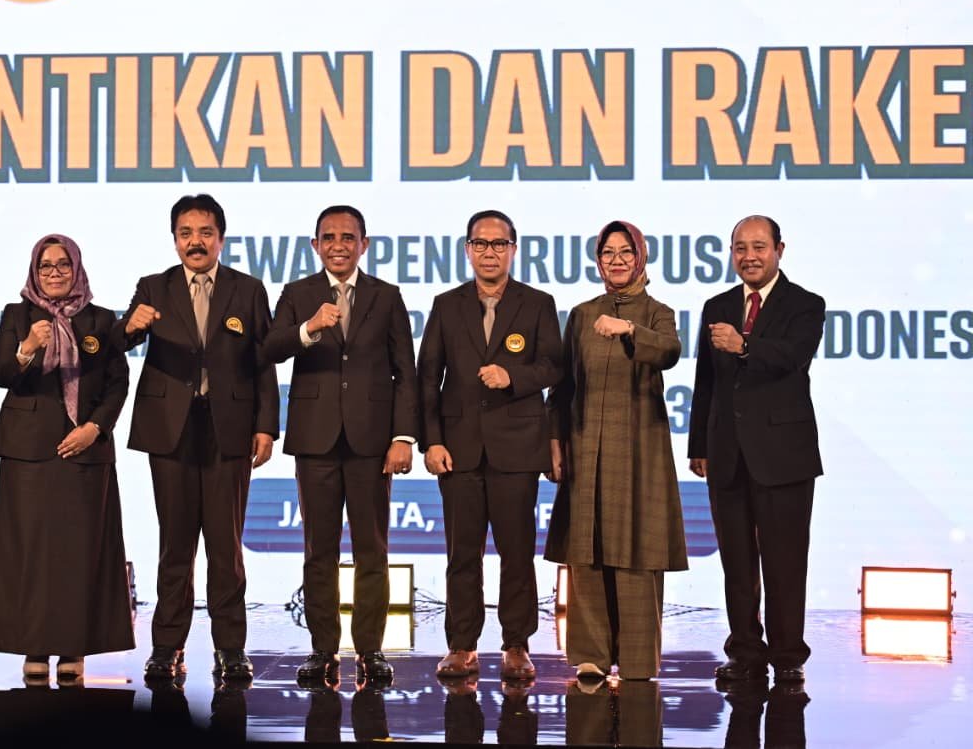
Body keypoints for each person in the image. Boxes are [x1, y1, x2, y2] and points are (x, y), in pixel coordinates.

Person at [121, 194, 280, 682]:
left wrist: (266, 425)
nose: (196, 242)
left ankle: (230, 648)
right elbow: (122, 340)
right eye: (186, 233)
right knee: (175, 545)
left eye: (205, 232)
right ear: (174, 240)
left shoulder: (248, 290)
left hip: (228, 430)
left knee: (225, 547)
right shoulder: (154, 286)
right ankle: (166, 646)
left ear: (221, 239)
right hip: (170, 430)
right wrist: (130, 327)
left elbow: (263, 361)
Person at [262, 205, 418, 686]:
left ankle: (371, 650)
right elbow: (269, 349)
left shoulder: (386, 296)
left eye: (348, 237)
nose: (338, 245)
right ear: (315, 245)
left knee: (372, 549)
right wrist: (308, 328)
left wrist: (402, 436)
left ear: (364, 245)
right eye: (328, 237)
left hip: (372, 442)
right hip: (316, 439)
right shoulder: (297, 294)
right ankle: (322, 649)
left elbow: (405, 372)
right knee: (319, 551)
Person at [417, 210, 564, 681]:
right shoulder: (446, 305)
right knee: (462, 554)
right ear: (467, 250)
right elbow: (427, 378)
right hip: (458, 450)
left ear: (513, 250)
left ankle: (517, 645)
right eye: (480, 243)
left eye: (499, 244)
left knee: (517, 553)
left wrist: (512, 377)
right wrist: (431, 441)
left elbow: (554, 367)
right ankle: (461, 645)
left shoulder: (537, 303)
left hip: (517, 447)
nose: (489, 252)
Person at [0, 234, 134, 683]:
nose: (54, 273)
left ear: (76, 269)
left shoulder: (101, 320)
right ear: (34, 271)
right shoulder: (17, 315)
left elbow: (118, 382)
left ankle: (74, 647)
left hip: (84, 451)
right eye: (45, 266)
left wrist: (95, 428)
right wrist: (27, 347)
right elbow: (2, 374)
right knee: (29, 553)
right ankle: (32, 645)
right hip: (28, 451)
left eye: (62, 265)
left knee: (78, 554)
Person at [543, 220, 688, 681]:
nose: (617, 260)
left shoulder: (657, 313)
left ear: (641, 257)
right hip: (585, 444)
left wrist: (628, 329)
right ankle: (590, 654)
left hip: (639, 449)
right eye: (608, 252)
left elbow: (669, 352)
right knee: (586, 547)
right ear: (598, 260)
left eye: (626, 252)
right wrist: (554, 440)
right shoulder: (582, 314)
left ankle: (638, 661)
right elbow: (562, 385)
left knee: (636, 548)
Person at [688, 215, 826, 684]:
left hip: (784, 454)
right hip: (727, 452)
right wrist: (699, 444)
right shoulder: (718, 305)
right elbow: (706, 380)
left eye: (759, 247)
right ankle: (745, 650)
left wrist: (744, 344)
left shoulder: (805, 304)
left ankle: (788, 656)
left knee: (785, 561)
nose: (749, 256)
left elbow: (793, 357)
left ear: (779, 250)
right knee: (737, 562)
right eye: (740, 248)